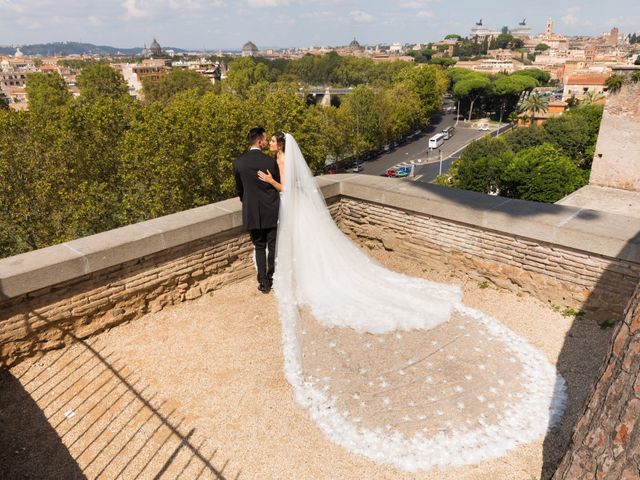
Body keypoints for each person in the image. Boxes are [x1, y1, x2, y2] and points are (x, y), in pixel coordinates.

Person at [258, 133, 567, 471]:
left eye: (274, 143)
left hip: (291, 206)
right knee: (313, 251)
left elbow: (286, 187)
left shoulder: (282, 161)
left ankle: (302, 278)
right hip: (299, 210)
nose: (271, 146)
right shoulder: (285, 156)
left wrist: (270, 180)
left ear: (281, 147)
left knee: (307, 255)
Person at [233, 127, 280, 293]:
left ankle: (263, 282)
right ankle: (272, 277)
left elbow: (240, 189)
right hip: (271, 209)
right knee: (273, 246)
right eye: (266, 139)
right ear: (260, 142)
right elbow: (278, 184)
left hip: (252, 211)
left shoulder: (238, 163)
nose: (267, 142)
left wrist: (247, 201)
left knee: (259, 246)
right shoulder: (269, 162)